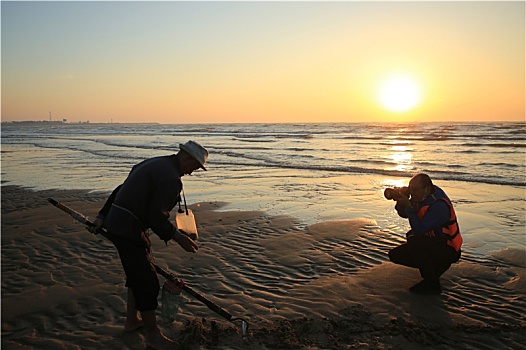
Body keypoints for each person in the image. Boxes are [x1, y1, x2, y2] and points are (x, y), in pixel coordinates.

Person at [88, 140, 208, 350]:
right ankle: (153, 336)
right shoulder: (171, 179)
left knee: (137, 272)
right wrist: (178, 238)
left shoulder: (152, 163)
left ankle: (132, 320)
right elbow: (155, 216)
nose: (192, 172)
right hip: (128, 228)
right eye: (195, 167)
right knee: (147, 281)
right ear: (187, 157)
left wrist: (102, 216)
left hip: (118, 222)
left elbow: (120, 189)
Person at [387, 173, 462, 295]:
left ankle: (432, 283)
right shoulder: (421, 197)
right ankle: (434, 270)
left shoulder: (439, 205)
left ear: (426, 188)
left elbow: (419, 230)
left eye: (415, 190)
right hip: (434, 243)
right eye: (411, 190)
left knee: (415, 240)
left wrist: (409, 207)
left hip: (448, 249)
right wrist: (401, 203)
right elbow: (405, 214)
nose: (413, 193)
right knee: (395, 254)